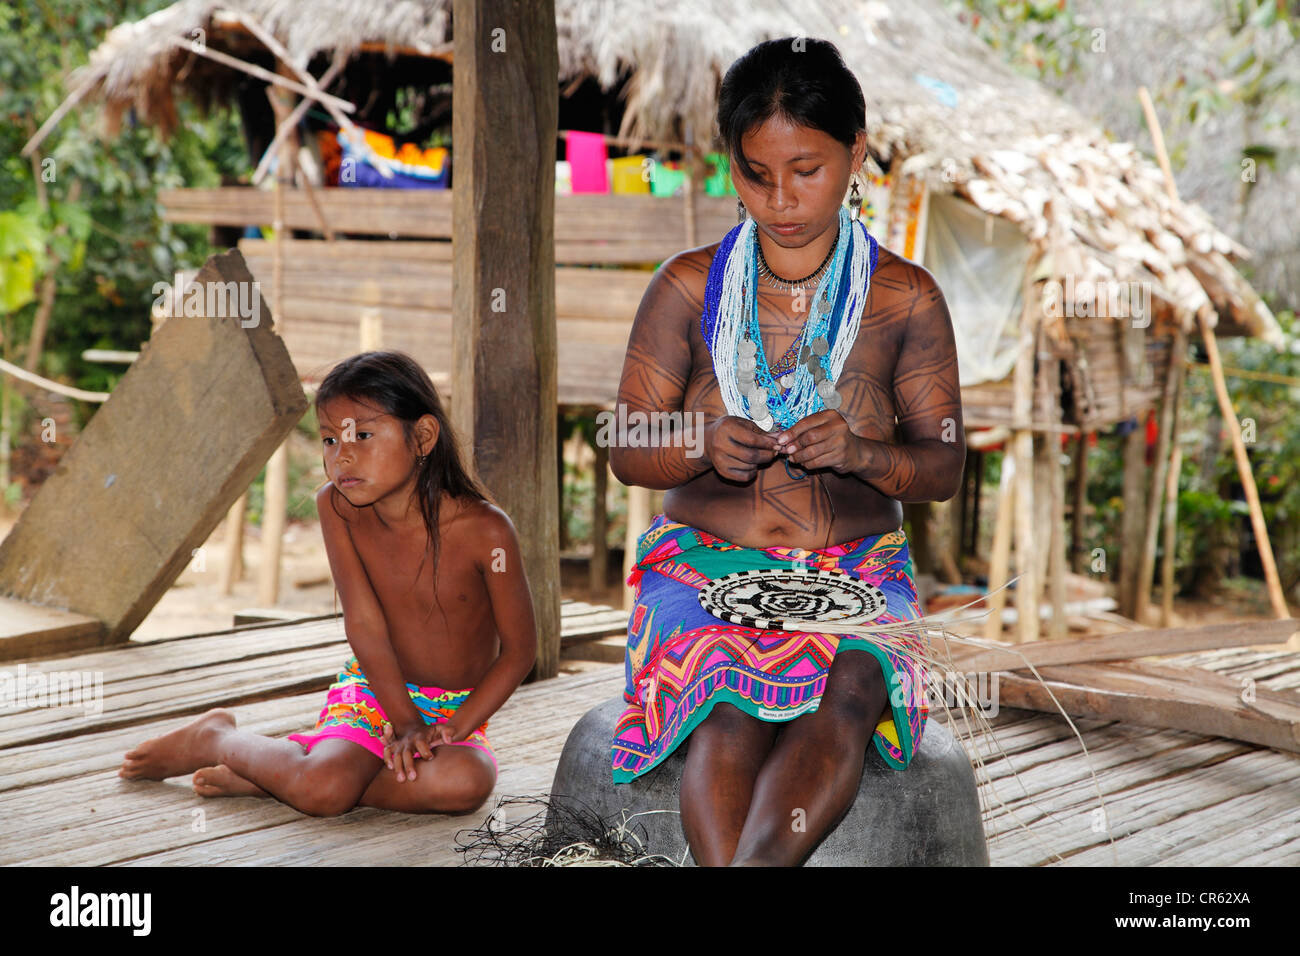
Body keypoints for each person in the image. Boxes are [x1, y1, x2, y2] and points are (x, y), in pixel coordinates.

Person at [608, 37, 965, 866]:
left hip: (859, 570)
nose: (781, 199)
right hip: (702, 566)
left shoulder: (905, 298)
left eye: (807, 169)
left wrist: (865, 454)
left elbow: (942, 468)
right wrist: (698, 442)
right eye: (756, 174)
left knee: (844, 695)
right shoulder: (686, 287)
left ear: (856, 152)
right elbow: (627, 445)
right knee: (727, 702)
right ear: (729, 164)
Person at [119, 351, 537, 817]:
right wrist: (403, 722)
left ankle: (276, 777)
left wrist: (453, 729)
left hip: (460, 709)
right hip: (376, 694)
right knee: (324, 793)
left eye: (362, 435)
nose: (343, 456)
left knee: (464, 785)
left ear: (422, 437)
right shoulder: (338, 508)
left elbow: (520, 651)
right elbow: (363, 623)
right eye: (329, 440)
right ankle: (217, 738)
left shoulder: (487, 531)